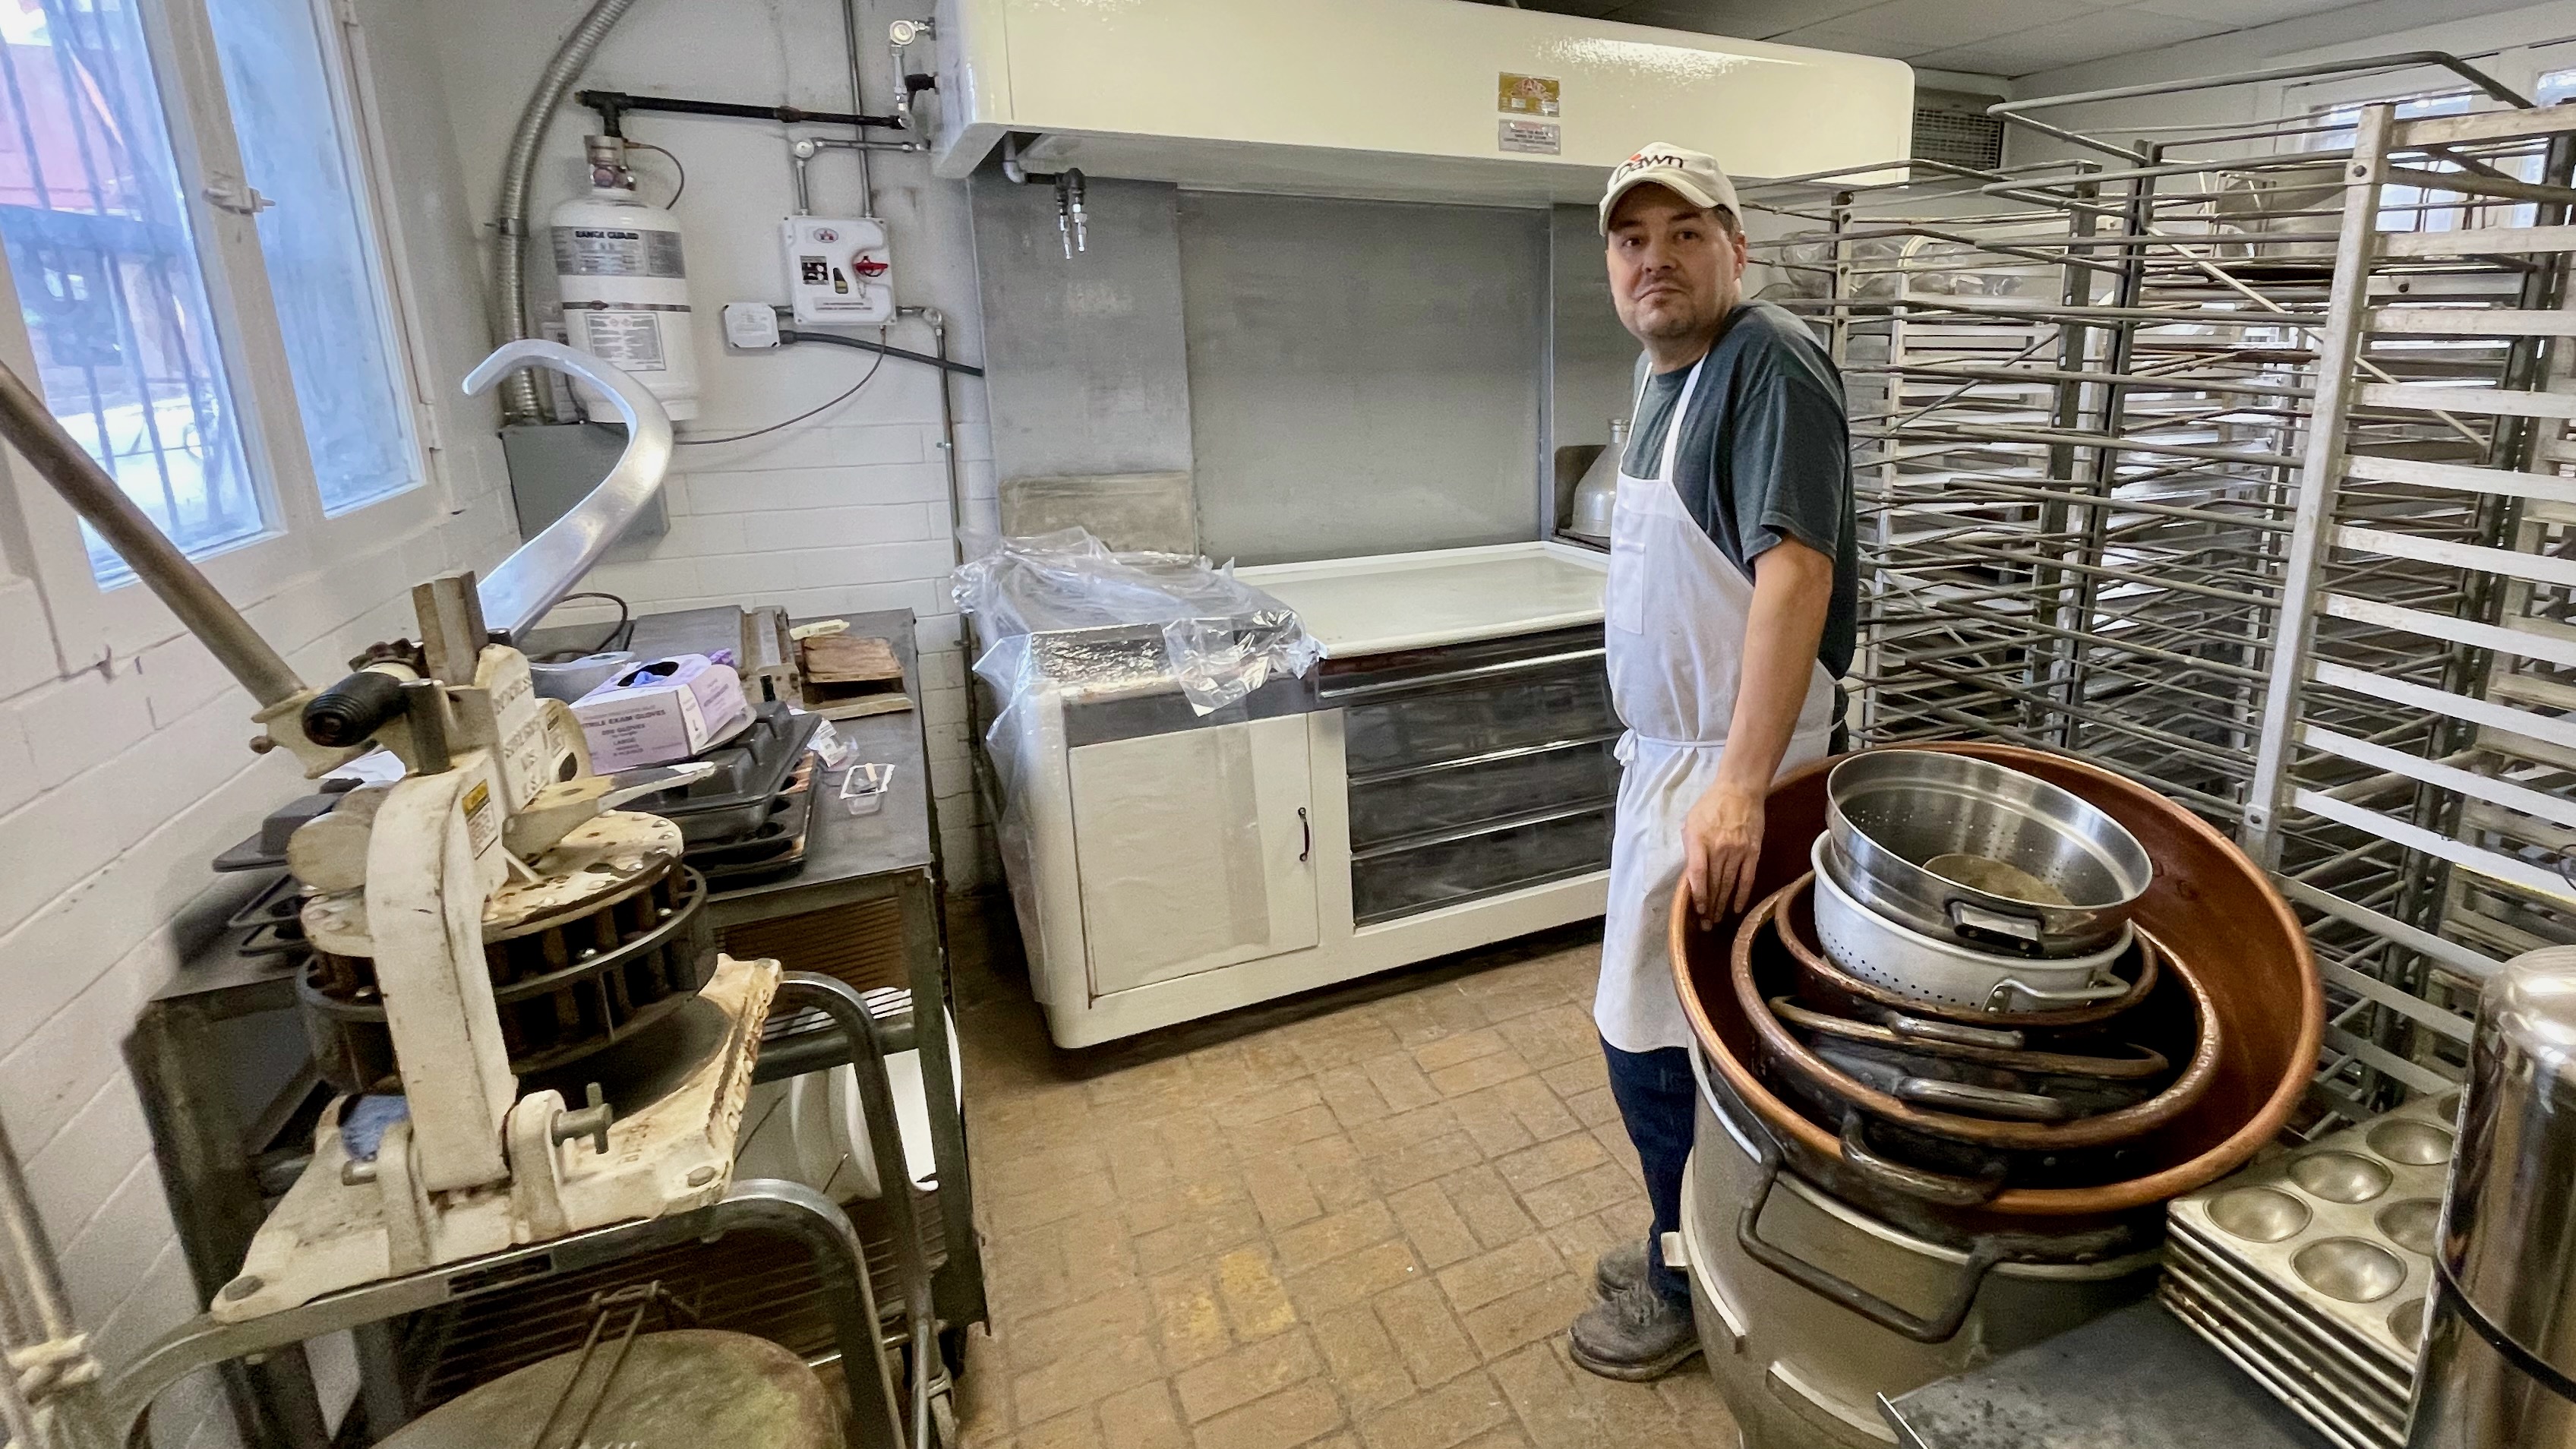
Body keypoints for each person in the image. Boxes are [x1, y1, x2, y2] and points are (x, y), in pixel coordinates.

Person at [1568, 144, 1856, 1381]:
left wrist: (1739, 786)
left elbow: (1795, 574)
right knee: (1668, 1029)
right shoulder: (1663, 379)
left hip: (1734, 767)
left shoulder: (1768, 362)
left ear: (1738, 247)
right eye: (1633, 240)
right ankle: (1689, 1242)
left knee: (1666, 1037)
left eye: (1686, 233)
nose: (1655, 260)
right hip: (1674, 762)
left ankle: (1694, 1276)